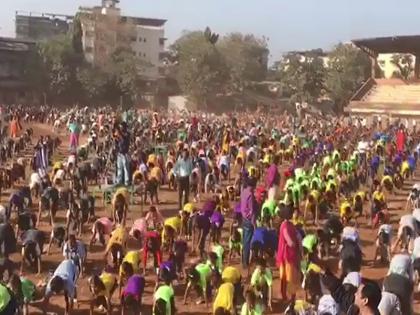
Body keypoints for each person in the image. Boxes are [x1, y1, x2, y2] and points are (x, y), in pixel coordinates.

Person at [276, 205, 301, 302]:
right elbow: (290, 241)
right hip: (288, 255)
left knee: (285, 276)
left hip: (286, 254)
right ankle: (290, 296)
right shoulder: (287, 226)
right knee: (290, 276)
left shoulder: (286, 225)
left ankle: (285, 295)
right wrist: (294, 244)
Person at [240, 179, 258, 267]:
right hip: (248, 220)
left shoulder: (243, 192)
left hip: (243, 218)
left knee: (244, 240)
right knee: (247, 242)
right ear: (253, 186)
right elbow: (252, 211)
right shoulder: (250, 195)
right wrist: (254, 224)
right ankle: (245, 262)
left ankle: (243, 259)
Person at [115, 122, 131, 186]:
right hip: (120, 153)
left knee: (126, 168)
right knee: (119, 167)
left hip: (125, 153)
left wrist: (119, 132)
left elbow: (124, 137)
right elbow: (117, 140)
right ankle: (119, 181)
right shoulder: (120, 134)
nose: (121, 128)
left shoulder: (127, 133)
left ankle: (126, 181)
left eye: (121, 127)